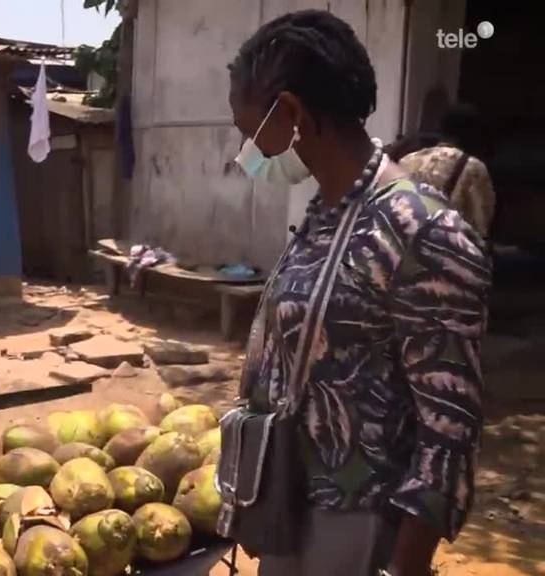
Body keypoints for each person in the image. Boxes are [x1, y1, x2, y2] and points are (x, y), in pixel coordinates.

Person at [227, 10, 490, 576]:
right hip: (292, 513)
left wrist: (405, 565)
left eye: (249, 133)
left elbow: (449, 429)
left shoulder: (422, 234)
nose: (244, 152)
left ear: (293, 114)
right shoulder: (326, 215)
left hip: (359, 527)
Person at [399, 103, 496, 239]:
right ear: (473, 132)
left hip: (404, 248)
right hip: (446, 251)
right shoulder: (473, 167)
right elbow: (481, 226)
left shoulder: (407, 160)